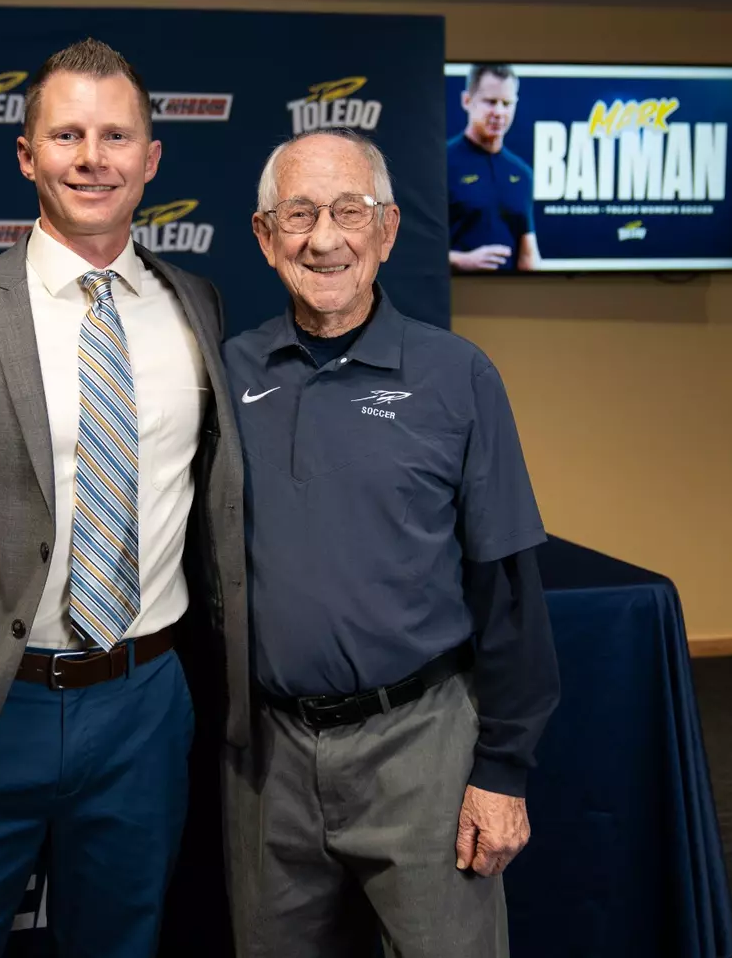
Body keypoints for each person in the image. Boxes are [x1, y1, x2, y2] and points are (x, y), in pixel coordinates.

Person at [0, 37, 248, 958]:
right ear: (28, 155)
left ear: (152, 159)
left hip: (144, 706)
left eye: (115, 136)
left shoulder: (199, 305)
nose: (92, 158)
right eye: (66, 135)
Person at [223, 128, 560, 957]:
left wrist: (502, 772)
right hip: (269, 761)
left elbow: (508, 587)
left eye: (349, 211)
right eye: (298, 214)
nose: (325, 238)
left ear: (388, 229)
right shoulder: (227, 374)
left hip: (422, 749)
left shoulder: (458, 376)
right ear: (266, 238)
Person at [448, 64, 542, 273]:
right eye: (490, 102)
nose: (499, 112)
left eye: (507, 103)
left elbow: (528, 254)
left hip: (509, 299)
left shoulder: (521, 172)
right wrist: (462, 260)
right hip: (452, 297)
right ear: (467, 100)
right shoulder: (440, 163)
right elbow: (414, 247)